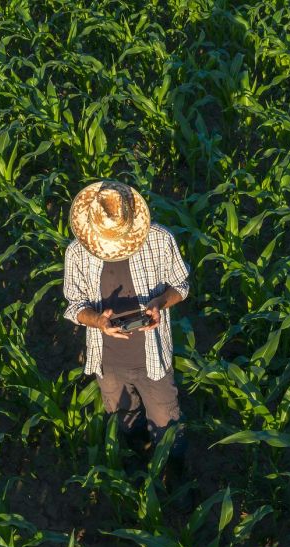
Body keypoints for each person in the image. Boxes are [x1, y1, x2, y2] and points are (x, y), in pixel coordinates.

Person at [62, 180, 191, 497]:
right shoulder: (78, 251)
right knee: (124, 418)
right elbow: (74, 305)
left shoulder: (159, 240)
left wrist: (160, 304)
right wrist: (98, 321)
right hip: (108, 360)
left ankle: (176, 484)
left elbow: (182, 286)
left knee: (167, 423)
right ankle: (137, 470)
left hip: (153, 356)